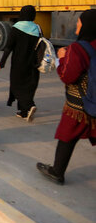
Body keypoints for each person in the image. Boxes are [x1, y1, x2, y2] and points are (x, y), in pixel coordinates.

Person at [37, 10, 96, 185]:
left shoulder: (77, 49)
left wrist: (61, 58)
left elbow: (67, 76)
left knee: (67, 136)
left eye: (79, 22)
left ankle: (57, 171)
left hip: (79, 104)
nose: (77, 25)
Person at [0, 5, 41, 121]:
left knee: (17, 85)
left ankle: (29, 105)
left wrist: (2, 63)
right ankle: (23, 112)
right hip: (34, 63)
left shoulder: (16, 28)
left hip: (19, 63)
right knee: (30, 85)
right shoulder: (37, 29)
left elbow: (8, 47)